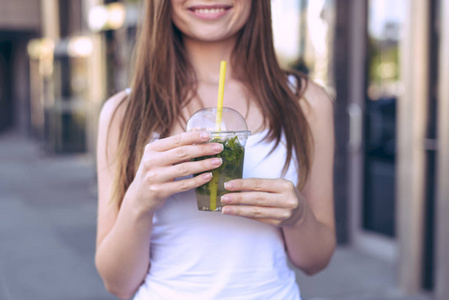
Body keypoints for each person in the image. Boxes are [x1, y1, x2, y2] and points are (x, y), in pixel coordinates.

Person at [95, 1, 336, 299]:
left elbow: (316, 261)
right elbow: (117, 284)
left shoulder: (306, 102)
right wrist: (139, 201)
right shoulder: (124, 112)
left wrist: (298, 217)